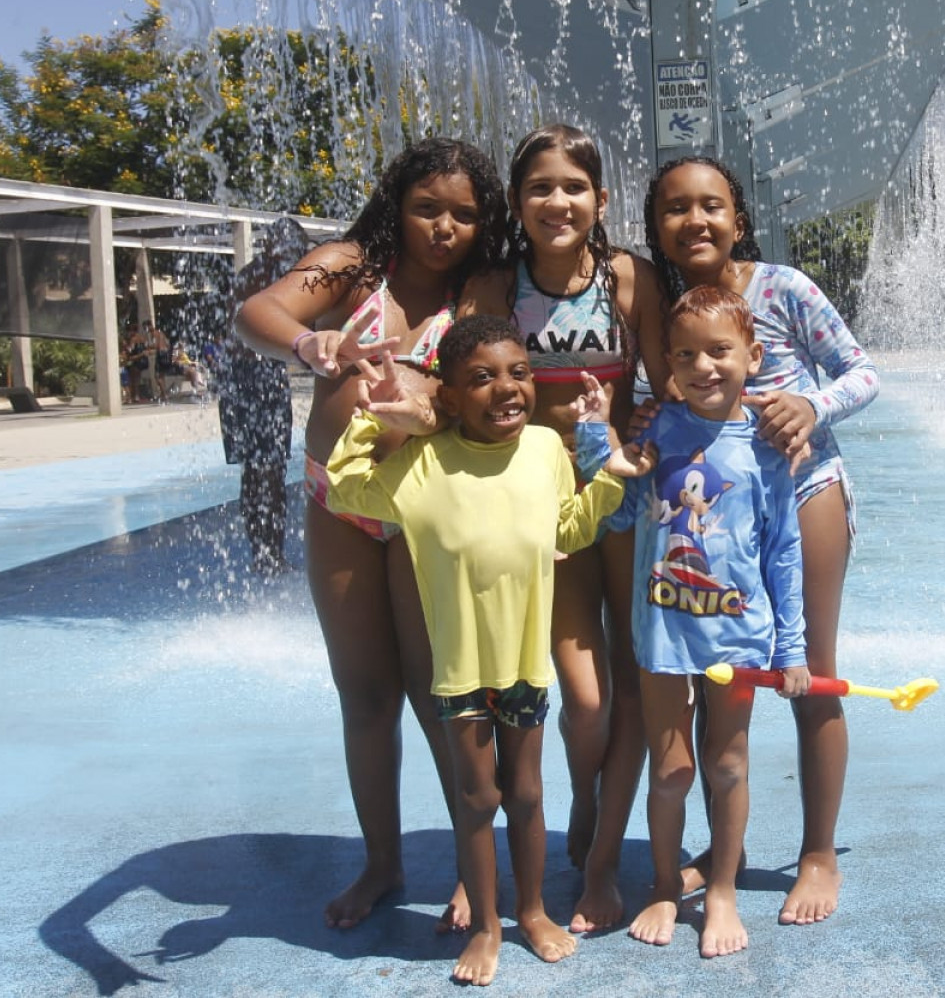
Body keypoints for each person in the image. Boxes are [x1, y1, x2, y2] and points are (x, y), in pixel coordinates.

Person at [320, 316, 651, 986]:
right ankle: (486, 924)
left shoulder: (542, 451)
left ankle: (530, 910)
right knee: (476, 796)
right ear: (446, 394)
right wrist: (373, 418)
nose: (507, 388)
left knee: (526, 793)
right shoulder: (422, 463)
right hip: (460, 671)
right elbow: (345, 488)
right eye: (483, 377)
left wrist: (606, 468)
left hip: (526, 664)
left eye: (519, 372)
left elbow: (572, 527)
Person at [234, 137, 506, 932]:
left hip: (426, 510)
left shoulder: (478, 286)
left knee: (443, 694)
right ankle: (383, 863)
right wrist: (307, 340)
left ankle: (472, 866)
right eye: (427, 207)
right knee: (365, 695)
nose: (445, 226)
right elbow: (259, 307)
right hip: (338, 504)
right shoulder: (351, 267)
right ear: (397, 203)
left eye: (463, 212)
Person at [642, 155, 878, 925]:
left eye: (711, 205)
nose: (695, 220)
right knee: (721, 680)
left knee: (807, 666)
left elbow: (861, 371)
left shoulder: (782, 287)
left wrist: (810, 406)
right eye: (676, 208)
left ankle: (816, 851)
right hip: (718, 514)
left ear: (738, 218)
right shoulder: (672, 305)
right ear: (659, 226)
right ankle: (725, 850)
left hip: (801, 486)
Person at [460, 124, 669, 933]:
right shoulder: (493, 286)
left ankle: (605, 861)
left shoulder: (626, 278)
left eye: (574, 186)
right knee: (585, 701)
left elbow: (664, 383)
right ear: (517, 202)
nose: (558, 201)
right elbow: (462, 389)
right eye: (540, 188)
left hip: (618, 497)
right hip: (538, 511)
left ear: (601, 199)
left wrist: (653, 437)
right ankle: (586, 795)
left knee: (637, 683)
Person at [617, 286, 809, 958]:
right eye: (688, 354)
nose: (705, 366)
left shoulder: (764, 447)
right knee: (670, 770)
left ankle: (721, 887)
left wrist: (793, 647)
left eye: (720, 350)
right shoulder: (656, 430)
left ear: (752, 356)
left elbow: (784, 549)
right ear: (668, 363)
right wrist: (607, 450)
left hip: (739, 637)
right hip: (665, 637)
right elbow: (617, 517)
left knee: (727, 764)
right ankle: (667, 883)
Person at [219, 219, 310, 572]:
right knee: (267, 471)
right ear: (276, 246)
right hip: (255, 378)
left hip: (243, 378)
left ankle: (264, 554)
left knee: (257, 472)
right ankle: (269, 555)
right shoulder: (268, 278)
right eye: (293, 249)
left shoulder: (254, 274)